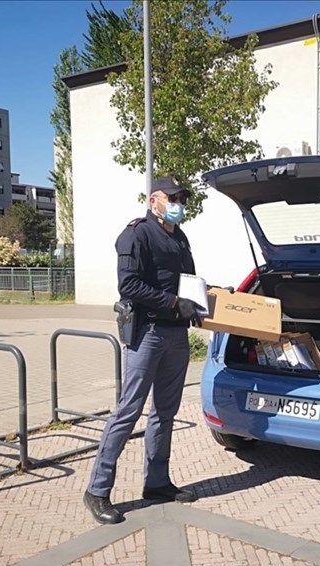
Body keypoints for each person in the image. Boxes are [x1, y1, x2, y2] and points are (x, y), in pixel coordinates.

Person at [84, 177, 204, 524]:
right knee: (128, 411)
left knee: (165, 413)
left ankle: (157, 482)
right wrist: (172, 303)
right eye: (173, 197)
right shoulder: (136, 234)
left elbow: (186, 283)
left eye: (182, 197)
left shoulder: (179, 236)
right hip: (147, 333)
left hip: (175, 335)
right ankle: (97, 490)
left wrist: (202, 301)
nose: (179, 202)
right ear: (154, 200)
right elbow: (129, 285)